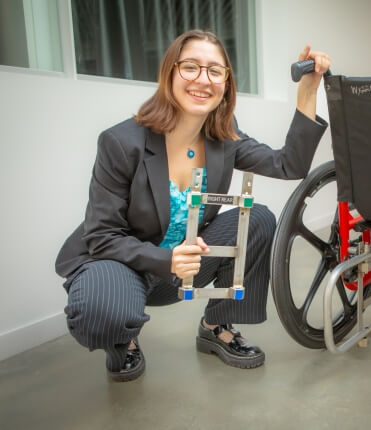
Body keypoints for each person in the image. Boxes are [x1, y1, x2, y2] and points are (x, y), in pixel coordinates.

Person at [55, 29, 330, 382]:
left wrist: (307, 90)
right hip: (122, 264)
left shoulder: (224, 136)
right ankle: (123, 338)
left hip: (181, 267)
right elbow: (101, 235)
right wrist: (165, 258)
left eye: (215, 71)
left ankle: (216, 327)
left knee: (258, 218)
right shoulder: (121, 142)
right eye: (191, 67)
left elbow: (288, 164)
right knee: (102, 314)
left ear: (226, 83)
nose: (203, 79)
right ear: (170, 72)